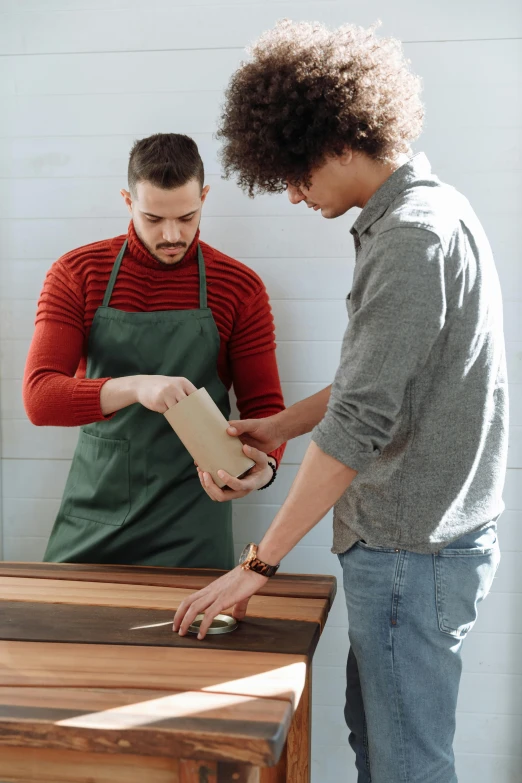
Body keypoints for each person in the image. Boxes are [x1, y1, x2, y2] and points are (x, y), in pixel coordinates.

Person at [173, 21, 508, 783]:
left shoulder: (412, 240)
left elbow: (358, 423)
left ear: (342, 141)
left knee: (406, 768)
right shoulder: (430, 211)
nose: (292, 194)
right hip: (418, 548)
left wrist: (257, 563)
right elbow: (384, 380)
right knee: (383, 751)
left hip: (409, 553)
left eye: (296, 174)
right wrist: (278, 424)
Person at [23, 133, 285, 568]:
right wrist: (136, 387)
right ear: (128, 200)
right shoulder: (78, 274)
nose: (171, 235)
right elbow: (40, 398)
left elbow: (265, 408)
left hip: (194, 514)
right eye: (153, 218)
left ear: (204, 196)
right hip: (96, 511)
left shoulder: (239, 286)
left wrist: (266, 469)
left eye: (187, 217)